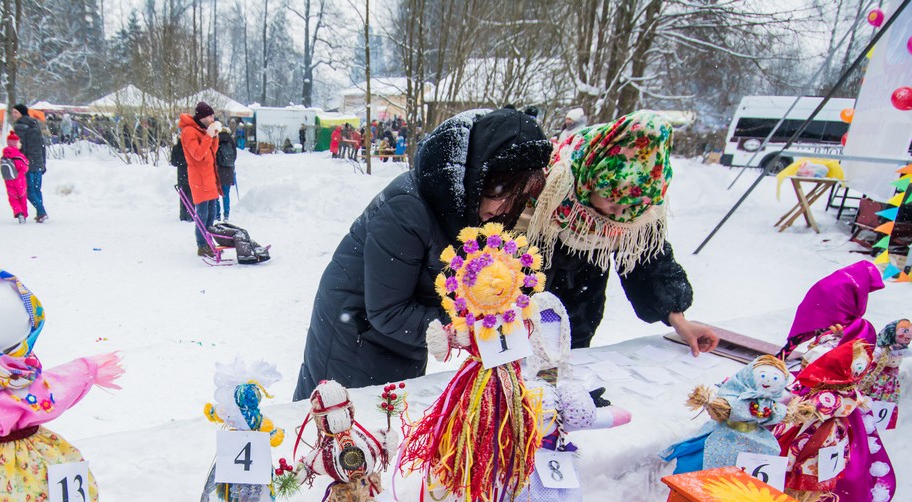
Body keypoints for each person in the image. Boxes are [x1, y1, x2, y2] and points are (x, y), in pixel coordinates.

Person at [293, 108, 552, 399]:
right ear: (480, 173)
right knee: (345, 422)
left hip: (401, 338)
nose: (503, 208)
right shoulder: (407, 208)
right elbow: (388, 312)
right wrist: (467, 326)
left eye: (515, 199)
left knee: (392, 415)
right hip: (355, 334)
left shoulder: (470, 209)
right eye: (499, 191)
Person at [527, 110, 717, 354]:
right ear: (591, 180)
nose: (617, 214)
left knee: (564, 371)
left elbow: (648, 259)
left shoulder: (643, 203)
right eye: (611, 199)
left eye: (630, 208)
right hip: (520, 308)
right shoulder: (554, 179)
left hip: (578, 312)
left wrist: (679, 320)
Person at [178, 101, 222, 256]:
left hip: (209, 178)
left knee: (212, 214)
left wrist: (214, 137)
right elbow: (198, 154)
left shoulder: (202, 130)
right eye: (210, 116)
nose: (212, 119)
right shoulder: (189, 131)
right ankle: (202, 245)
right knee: (202, 216)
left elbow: (211, 152)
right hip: (200, 180)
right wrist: (209, 136)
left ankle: (208, 243)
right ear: (202, 117)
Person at [12, 104, 48, 223]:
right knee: (37, 190)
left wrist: (18, 160)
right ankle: (40, 213)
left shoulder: (20, 126)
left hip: (27, 162)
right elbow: (42, 145)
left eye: (16, 112)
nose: (13, 115)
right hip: (38, 161)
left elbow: (21, 146)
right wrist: (43, 162)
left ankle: (42, 212)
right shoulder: (35, 124)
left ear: (21, 113)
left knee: (28, 190)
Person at [0, 131, 30, 222]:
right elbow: (25, 167)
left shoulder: (4, 155)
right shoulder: (19, 155)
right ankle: (23, 214)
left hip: (8, 180)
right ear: (16, 143)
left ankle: (18, 212)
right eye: (18, 142)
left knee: (13, 198)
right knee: (22, 197)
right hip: (19, 180)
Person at [169, 134, 192, 222]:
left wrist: (180, 162)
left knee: (182, 194)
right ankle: (190, 214)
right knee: (190, 195)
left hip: (181, 174)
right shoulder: (189, 147)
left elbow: (174, 162)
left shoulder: (176, 148)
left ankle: (183, 215)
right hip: (190, 172)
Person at [217, 124, 237, 222]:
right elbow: (234, 157)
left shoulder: (216, 140)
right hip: (228, 171)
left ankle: (217, 214)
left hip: (218, 171)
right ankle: (226, 214)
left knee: (216, 195)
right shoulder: (230, 141)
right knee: (226, 194)